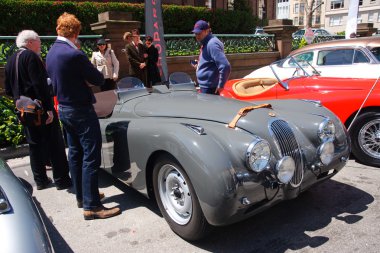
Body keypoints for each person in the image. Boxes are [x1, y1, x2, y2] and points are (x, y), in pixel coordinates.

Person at [46, 12, 121, 220]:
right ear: (75, 32)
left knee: (76, 153)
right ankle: (92, 206)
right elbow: (97, 77)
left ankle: (83, 196)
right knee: (91, 155)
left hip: (64, 109)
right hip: (80, 109)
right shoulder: (74, 54)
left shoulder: (51, 52)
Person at [5, 30, 72, 190]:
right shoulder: (31, 57)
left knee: (34, 145)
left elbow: (8, 89)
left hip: (23, 110)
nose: (40, 44)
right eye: (38, 41)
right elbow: (39, 84)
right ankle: (62, 180)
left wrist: (20, 100)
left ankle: (41, 181)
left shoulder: (10, 60)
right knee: (55, 143)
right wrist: (49, 109)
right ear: (29, 42)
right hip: (40, 110)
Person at [191, 20, 231, 95]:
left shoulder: (212, 44)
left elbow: (225, 66)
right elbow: (210, 62)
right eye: (195, 33)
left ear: (207, 31)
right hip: (207, 87)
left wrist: (221, 85)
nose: (197, 36)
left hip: (210, 88)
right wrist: (199, 65)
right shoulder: (207, 42)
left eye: (199, 33)